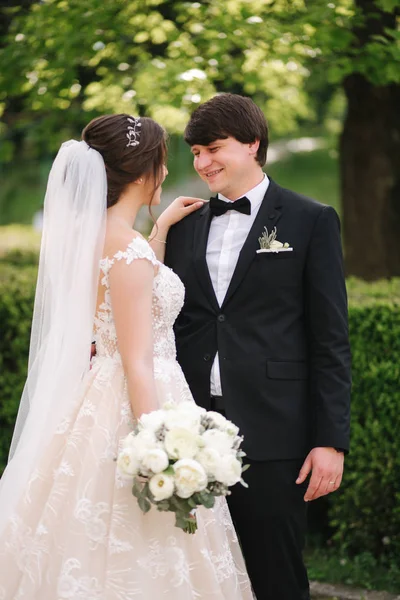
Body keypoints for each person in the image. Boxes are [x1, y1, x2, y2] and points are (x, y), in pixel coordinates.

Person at [0, 114, 253, 599]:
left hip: (99, 392)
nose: (164, 172)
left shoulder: (100, 238)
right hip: (140, 396)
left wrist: (158, 231)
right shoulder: (128, 251)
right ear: (142, 173)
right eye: (161, 163)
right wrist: (161, 448)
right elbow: (137, 358)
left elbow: (129, 294)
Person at [163, 94, 352, 600]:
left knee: (276, 575)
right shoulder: (183, 226)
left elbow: (330, 338)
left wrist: (330, 440)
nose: (202, 163)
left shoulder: (311, 220)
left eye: (214, 148)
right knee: (200, 576)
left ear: (252, 143)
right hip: (190, 432)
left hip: (276, 434)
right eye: (196, 152)